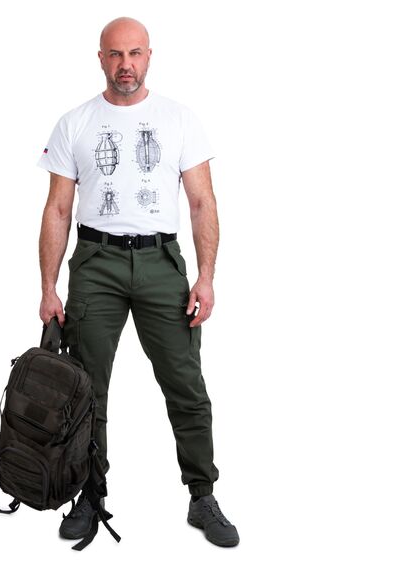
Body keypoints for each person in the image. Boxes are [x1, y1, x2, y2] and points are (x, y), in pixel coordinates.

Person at [36, 16, 239, 548]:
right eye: (115, 54)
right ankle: (90, 494)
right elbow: (57, 209)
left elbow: (202, 202)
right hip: (96, 262)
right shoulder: (74, 123)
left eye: (134, 53)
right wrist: (49, 288)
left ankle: (202, 495)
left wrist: (206, 277)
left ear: (149, 56)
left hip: (160, 263)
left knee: (185, 384)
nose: (125, 64)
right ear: (100, 58)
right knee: (86, 388)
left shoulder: (179, 119)